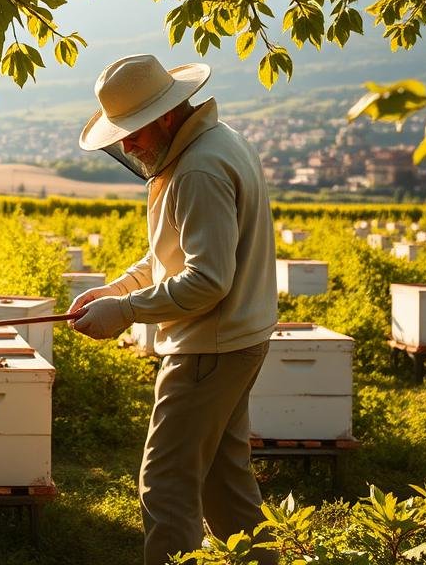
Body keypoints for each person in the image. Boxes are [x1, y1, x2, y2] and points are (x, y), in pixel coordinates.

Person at [68, 54, 279, 565]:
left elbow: (207, 281)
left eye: (133, 130)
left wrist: (125, 312)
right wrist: (115, 290)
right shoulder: (209, 143)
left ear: (165, 114)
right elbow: (172, 252)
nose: (127, 144)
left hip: (209, 346)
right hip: (234, 340)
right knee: (224, 486)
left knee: (164, 486)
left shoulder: (198, 168)